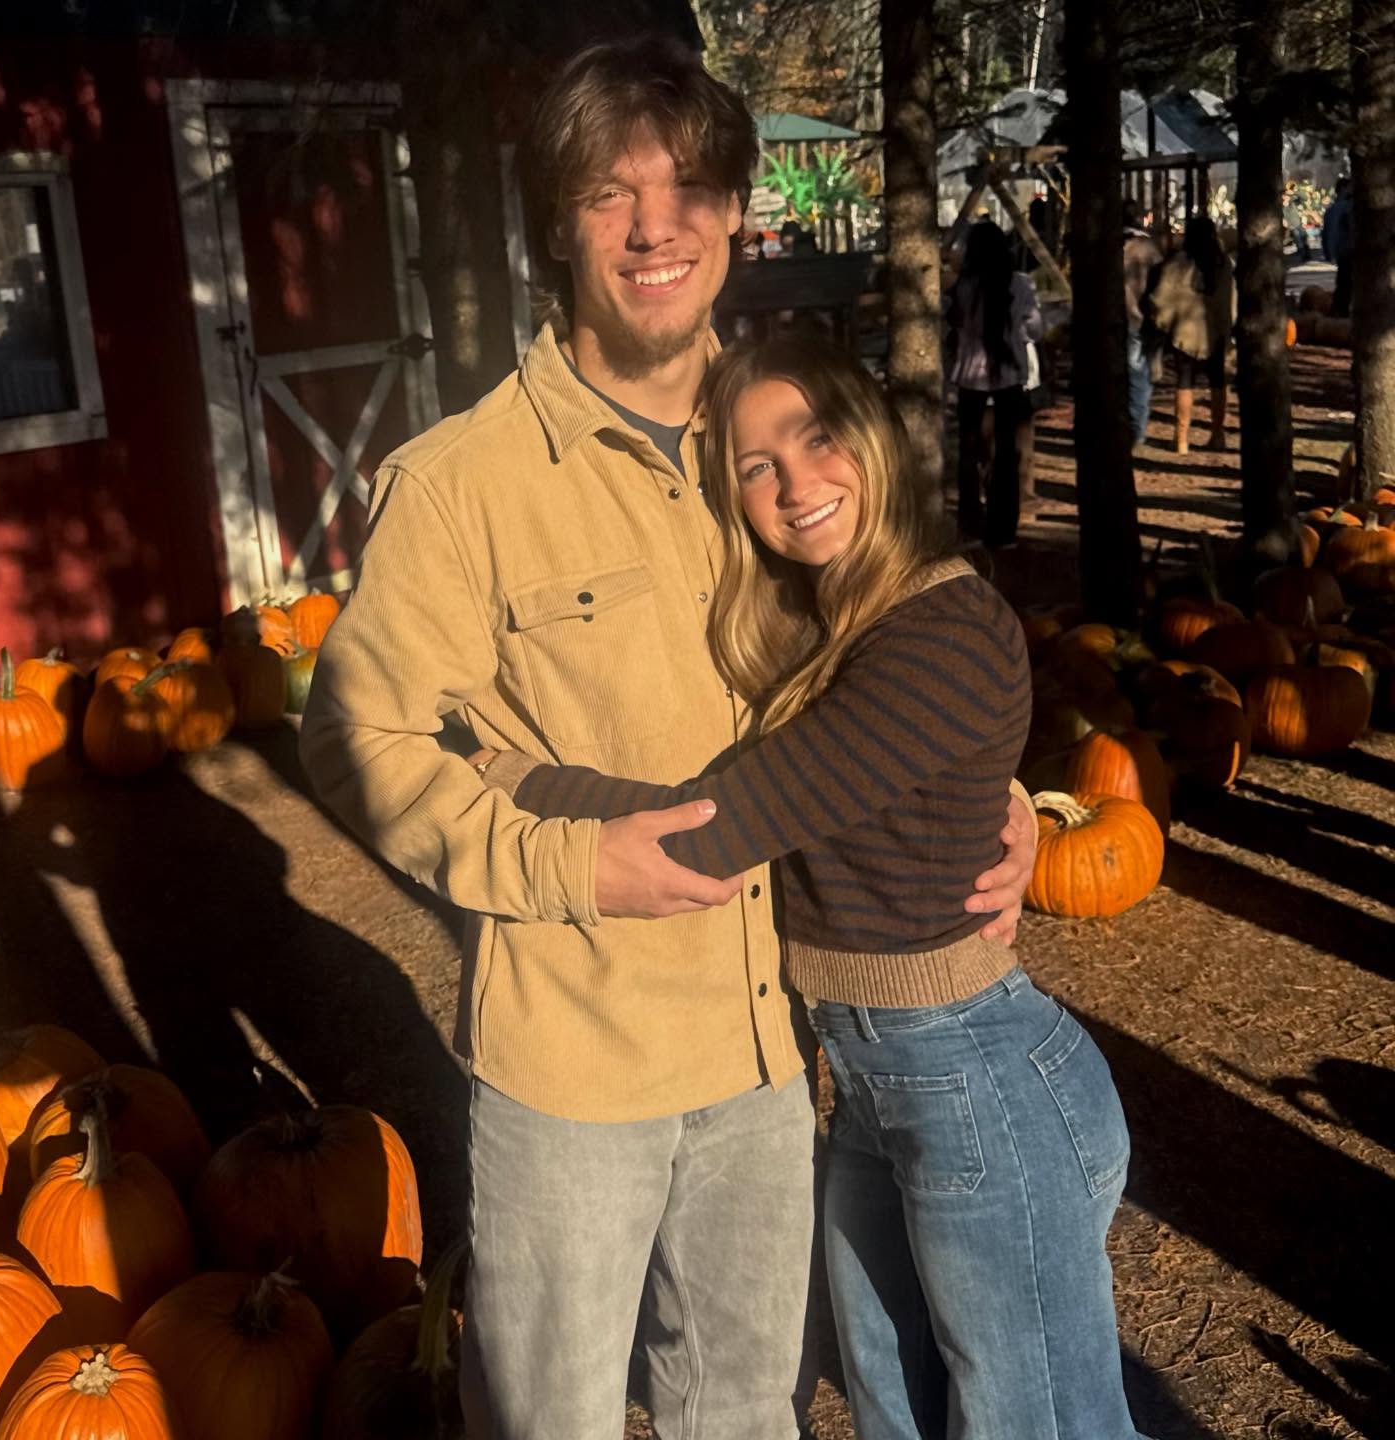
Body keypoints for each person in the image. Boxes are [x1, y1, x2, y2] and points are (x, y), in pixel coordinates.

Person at [298, 36, 1038, 1440]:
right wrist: (566, 864)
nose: (656, 229)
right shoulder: (463, 487)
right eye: (609, 194)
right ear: (556, 228)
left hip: (771, 1053)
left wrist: (991, 795)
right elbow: (355, 735)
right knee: (554, 1421)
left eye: (690, 187)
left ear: (737, 213)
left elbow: (899, 646)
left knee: (747, 1414)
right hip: (573, 1067)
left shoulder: (782, 444)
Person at [478, 335, 1146, 1440]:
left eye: (817, 438)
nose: (795, 484)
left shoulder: (939, 633)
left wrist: (510, 777)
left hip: (977, 1077)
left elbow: (717, 827)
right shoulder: (832, 623)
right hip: (875, 1085)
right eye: (757, 466)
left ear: (872, 437)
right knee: (893, 1409)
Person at [946, 219, 1044, 549]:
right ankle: (1003, 530)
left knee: (969, 454)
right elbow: (1036, 329)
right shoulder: (1020, 284)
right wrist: (1015, 335)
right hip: (1008, 378)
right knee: (1007, 455)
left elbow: (954, 326)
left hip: (969, 380)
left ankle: (970, 525)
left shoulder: (963, 287)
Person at [1148, 215, 1235, 455]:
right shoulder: (1223, 264)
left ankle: (1181, 439)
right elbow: (1230, 298)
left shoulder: (1178, 264)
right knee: (1218, 381)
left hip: (1184, 333)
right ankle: (1218, 435)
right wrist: (1227, 324)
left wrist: (1164, 321)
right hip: (1216, 331)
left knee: (1184, 382)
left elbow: (1161, 298)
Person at [1122, 200, 1164, 448]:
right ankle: (1137, 428)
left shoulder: (1111, 246)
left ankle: (1127, 426)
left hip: (1116, 316)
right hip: (1141, 317)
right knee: (1139, 375)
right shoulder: (1150, 249)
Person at [1322, 177, 1354, 318]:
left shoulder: (1333, 208)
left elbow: (1327, 233)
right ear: (1343, 189)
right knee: (1346, 285)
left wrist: (1329, 252)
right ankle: (1341, 313)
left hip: (1344, 252)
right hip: (1348, 250)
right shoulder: (1345, 207)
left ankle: (1340, 312)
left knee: (1344, 284)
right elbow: (1331, 231)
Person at [1283, 180, 1311, 264]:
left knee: (1304, 238)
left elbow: (1305, 198)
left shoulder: (1292, 202)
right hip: (1291, 226)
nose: (1287, 197)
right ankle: (1303, 257)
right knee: (1299, 241)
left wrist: (1295, 192)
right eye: (1285, 195)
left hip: (1298, 224)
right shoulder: (1280, 206)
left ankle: (1307, 255)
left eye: (1288, 196)